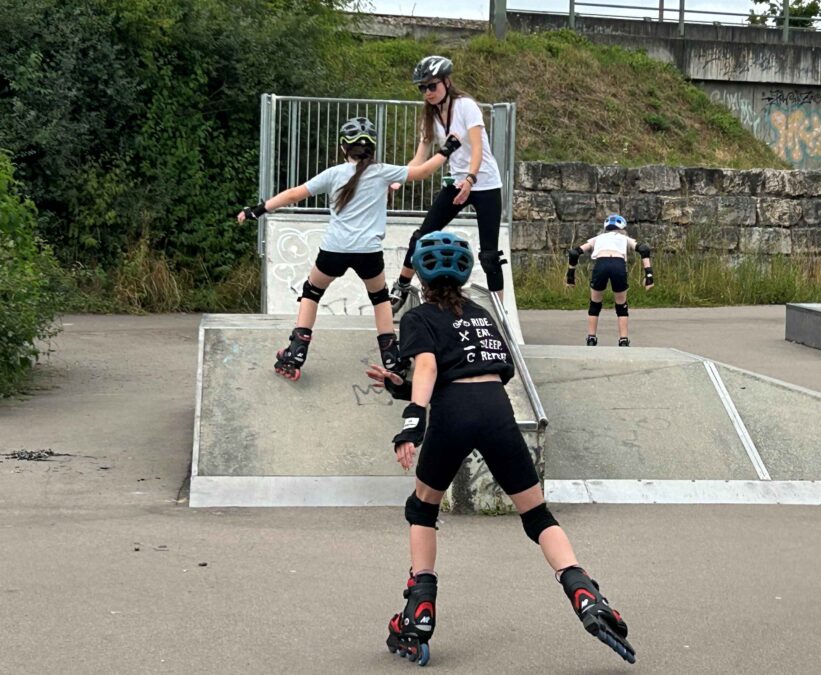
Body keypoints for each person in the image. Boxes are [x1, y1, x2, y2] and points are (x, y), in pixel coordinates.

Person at [366, 232, 635, 666]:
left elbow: (432, 366)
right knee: (536, 513)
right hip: (496, 409)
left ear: (422, 275)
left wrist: (412, 421)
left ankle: (419, 610)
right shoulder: (481, 314)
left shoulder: (419, 316)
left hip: (452, 410)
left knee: (422, 509)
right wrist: (402, 386)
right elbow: (488, 369)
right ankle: (583, 591)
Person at [238, 117, 459, 380]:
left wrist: (258, 210)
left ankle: (296, 351)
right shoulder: (383, 172)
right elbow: (422, 171)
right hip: (368, 252)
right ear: (372, 149)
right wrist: (447, 149)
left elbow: (294, 194)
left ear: (344, 148)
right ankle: (391, 357)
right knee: (380, 299)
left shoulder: (334, 174)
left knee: (312, 291)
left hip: (334, 250)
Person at [388, 55, 507, 314]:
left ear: (446, 82)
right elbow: (420, 159)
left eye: (432, 86)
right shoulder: (429, 117)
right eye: (423, 88)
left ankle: (500, 312)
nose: (427, 93)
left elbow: (477, 148)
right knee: (421, 237)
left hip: (484, 183)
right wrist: (399, 178)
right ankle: (401, 286)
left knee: (489, 256)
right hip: (456, 184)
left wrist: (471, 178)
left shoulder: (466, 106)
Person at [565, 213, 654, 347]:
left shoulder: (598, 238)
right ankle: (623, 340)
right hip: (618, 264)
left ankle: (591, 338)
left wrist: (570, 276)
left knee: (595, 304)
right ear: (622, 228)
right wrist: (649, 276)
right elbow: (643, 249)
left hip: (601, 264)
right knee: (621, 306)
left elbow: (574, 253)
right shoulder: (624, 238)